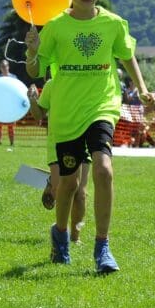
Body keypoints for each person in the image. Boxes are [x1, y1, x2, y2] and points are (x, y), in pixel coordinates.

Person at [24, 0, 155, 272]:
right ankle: (59, 235)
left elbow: (127, 57)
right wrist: (31, 50)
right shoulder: (55, 27)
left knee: (104, 170)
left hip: (102, 105)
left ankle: (102, 247)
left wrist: (141, 88)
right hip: (66, 113)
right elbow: (36, 70)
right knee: (67, 185)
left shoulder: (112, 23)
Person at [28, 82, 90, 243]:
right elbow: (38, 115)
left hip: (84, 140)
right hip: (58, 142)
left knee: (80, 194)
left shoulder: (90, 81)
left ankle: (75, 238)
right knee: (62, 189)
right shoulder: (52, 84)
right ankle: (52, 182)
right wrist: (33, 100)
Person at [0, 59, 20, 146]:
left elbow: (17, 90)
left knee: (11, 125)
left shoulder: (14, 78)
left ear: (8, 67)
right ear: (0, 68)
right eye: (2, 66)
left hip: (11, 105)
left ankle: (12, 142)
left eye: (6, 66)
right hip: (0, 105)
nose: (4, 68)